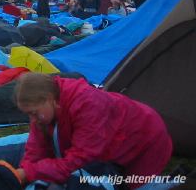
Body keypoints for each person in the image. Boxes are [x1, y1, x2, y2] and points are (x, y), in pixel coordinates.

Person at [13, 73, 172, 188]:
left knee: (129, 185)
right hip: (108, 146)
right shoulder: (45, 109)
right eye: (28, 114)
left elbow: (78, 158)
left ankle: (174, 181)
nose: (32, 119)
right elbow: (36, 148)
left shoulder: (87, 104)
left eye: (33, 113)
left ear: (48, 98)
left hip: (145, 141)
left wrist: (29, 173)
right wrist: (24, 171)